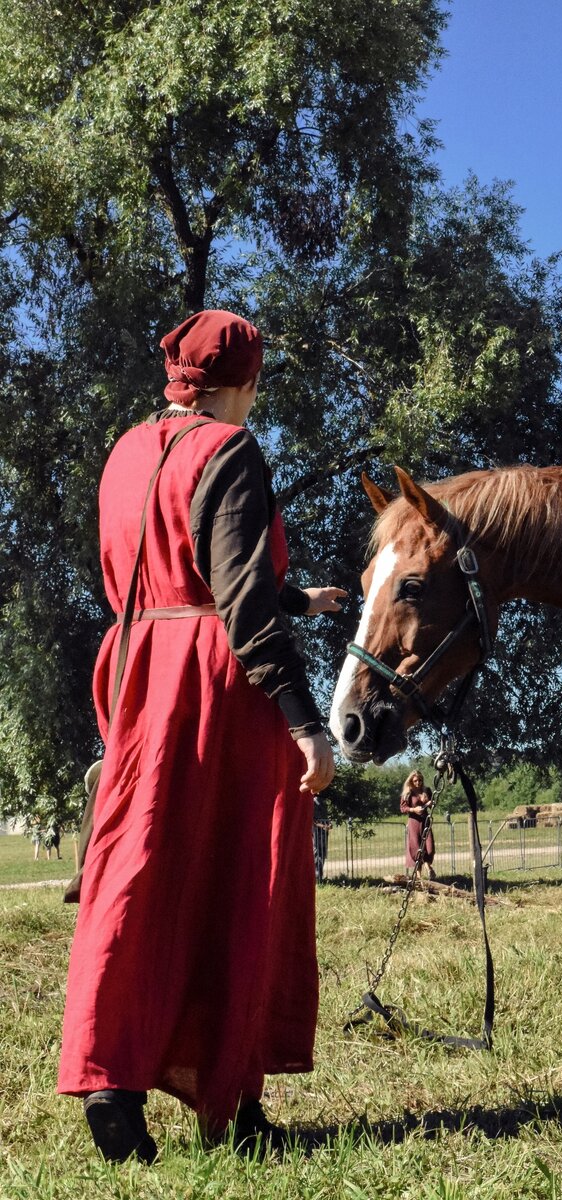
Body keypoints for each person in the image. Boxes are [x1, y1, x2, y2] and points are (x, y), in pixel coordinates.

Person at [58, 309, 344, 1165]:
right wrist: (305, 722)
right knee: (237, 878)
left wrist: (300, 597)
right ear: (244, 382)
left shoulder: (127, 450)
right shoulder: (231, 450)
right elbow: (237, 600)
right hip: (216, 685)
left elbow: (176, 561)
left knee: (137, 867)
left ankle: (113, 1081)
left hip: (138, 665)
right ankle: (235, 1098)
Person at [400, 770, 436, 879]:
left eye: (420, 780)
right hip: (414, 821)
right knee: (416, 847)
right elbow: (403, 808)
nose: (418, 782)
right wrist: (413, 809)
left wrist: (430, 803)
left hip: (425, 820)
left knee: (429, 847)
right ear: (411, 781)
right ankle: (419, 876)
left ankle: (428, 866)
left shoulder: (427, 790)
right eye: (415, 780)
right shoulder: (408, 793)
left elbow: (433, 804)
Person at [312, 795, 332, 884]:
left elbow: (327, 817)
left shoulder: (322, 801)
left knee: (323, 854)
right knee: (317, 854)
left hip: (324, 832)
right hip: (316, 832)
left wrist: (329, 824)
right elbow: (312, 820)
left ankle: (320, 878)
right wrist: (323, 826)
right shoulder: (312, 801)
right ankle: (316, 879)